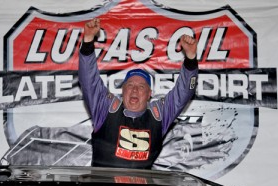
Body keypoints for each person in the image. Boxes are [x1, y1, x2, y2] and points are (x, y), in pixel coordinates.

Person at [79, 18, 198, 169]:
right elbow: (89, 81)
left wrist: (191, 59)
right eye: (130, 85)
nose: (135, 89)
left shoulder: (159, 115)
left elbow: (184, 93)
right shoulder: (106, 109)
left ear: (150, 94)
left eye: (141, 86)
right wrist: (88, 42)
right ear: (122, 91)